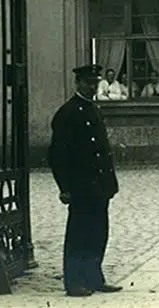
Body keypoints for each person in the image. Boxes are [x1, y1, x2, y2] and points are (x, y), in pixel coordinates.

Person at [50, 64, 122, 297]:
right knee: (78, 234)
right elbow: (57, 155)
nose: (92, 87)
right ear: (78, 83)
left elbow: (102, 150)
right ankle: (74, 282)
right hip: (80, 186)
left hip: (99, 185)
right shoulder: (67, 113)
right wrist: (64, 187)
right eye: (88, 83)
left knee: (98, 232)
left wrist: (109, 183)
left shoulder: (95, 110)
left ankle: (94, 277)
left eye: (95, 83)